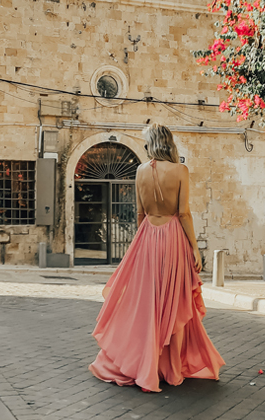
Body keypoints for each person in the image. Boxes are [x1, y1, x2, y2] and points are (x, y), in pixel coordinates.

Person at [89, 123, 225, 392]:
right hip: (173, 237)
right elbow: (184, 213)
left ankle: (145, 364)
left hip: (148, 236)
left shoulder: (140, 171)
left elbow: (140, 214)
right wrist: (195, 248)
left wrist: (141, 244)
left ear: (152, 144)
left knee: (147, 303)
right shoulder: (180, 171)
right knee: (173, 302)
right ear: (169, 142)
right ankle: (172, 370)